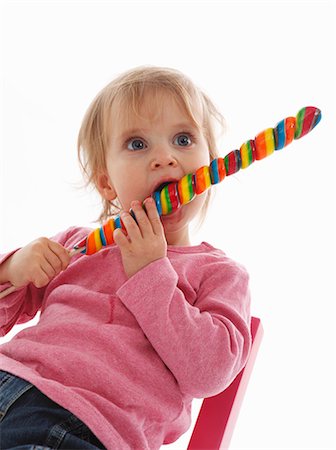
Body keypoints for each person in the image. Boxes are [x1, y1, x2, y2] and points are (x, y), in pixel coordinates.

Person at [0, 66, 252, 450]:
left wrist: (151, 273)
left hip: (86, 428)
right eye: (137, 144)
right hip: (9, 378)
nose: (165, 158)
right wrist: (13, 270)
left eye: (183, 139)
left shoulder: (217, 273)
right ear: (106, 183)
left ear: (212, 164)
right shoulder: (78, 245)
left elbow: (210, 372)